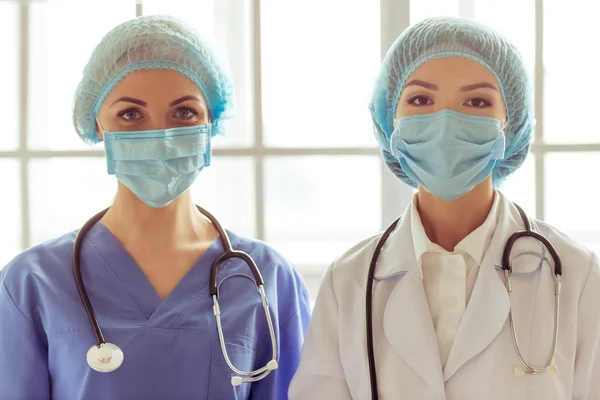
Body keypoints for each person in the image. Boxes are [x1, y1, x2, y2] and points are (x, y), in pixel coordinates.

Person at [0, 15, 310, 400]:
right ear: (97, 123)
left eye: (184, 113)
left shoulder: (268, 278)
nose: (160, 137)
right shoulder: (33, 282)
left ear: (211, 121)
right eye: (131, 114)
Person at [289, 16, 600, 399]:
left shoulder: (577, 274)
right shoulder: (349, 282)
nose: (446, 122)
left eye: (477, 101)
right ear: (391, 121)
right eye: (420, 100)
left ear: (512, 122)